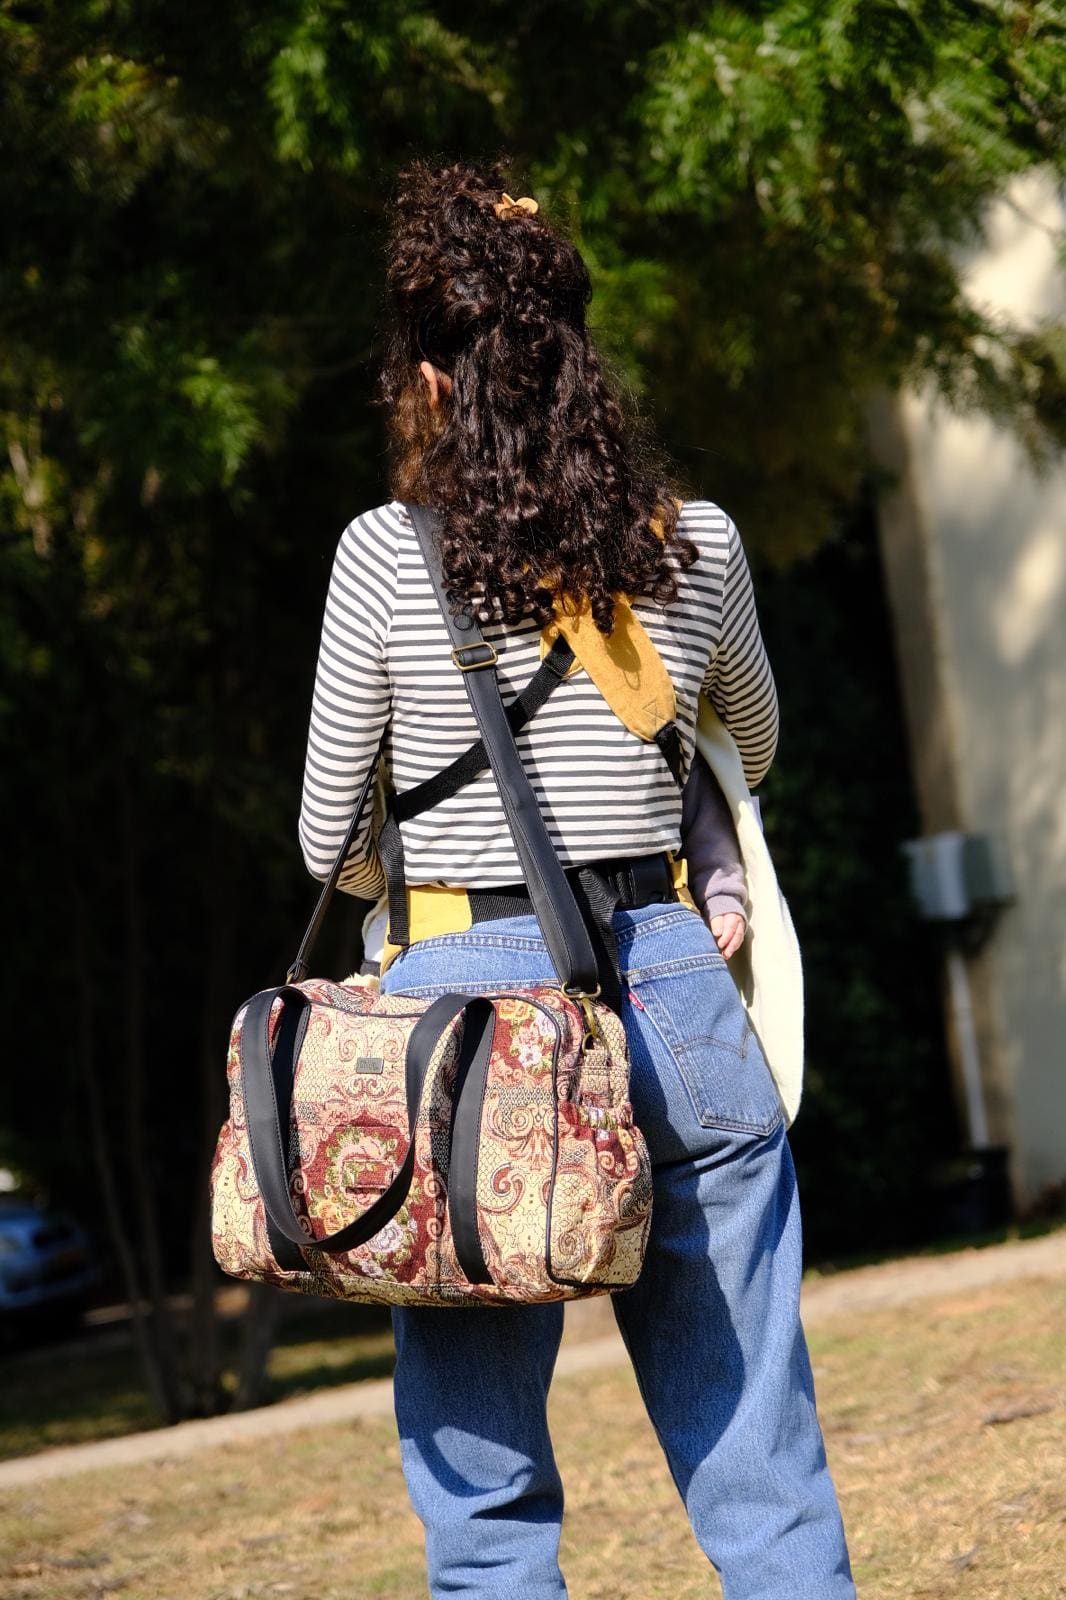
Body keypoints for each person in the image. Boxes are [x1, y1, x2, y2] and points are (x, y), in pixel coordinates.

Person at [297, 159, 855, 1600]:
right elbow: (751, 744)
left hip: (459, 1030)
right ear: (574, 354)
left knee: (483, 1487)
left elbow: (326, 841)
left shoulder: (382, 556)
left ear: (430, 377)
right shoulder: (695, 541)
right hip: (671, 987)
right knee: (761, 1456)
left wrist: (427, 883)